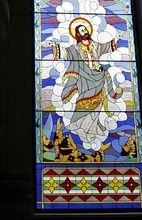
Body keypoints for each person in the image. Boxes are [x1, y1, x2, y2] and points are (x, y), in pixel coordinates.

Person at [46, 17, 122, 151]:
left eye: (86, 29)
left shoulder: (96, 45)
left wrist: (116, 39)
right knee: (83, 103)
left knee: (97, 107)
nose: (85, 32)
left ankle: (93, 129)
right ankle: (81, 126)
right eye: (82, 31)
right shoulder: (74, 48)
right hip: (84, 79)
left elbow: (107, 46)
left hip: (98, 77)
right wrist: (53, 45)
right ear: (78, 34)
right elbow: (65, 52)